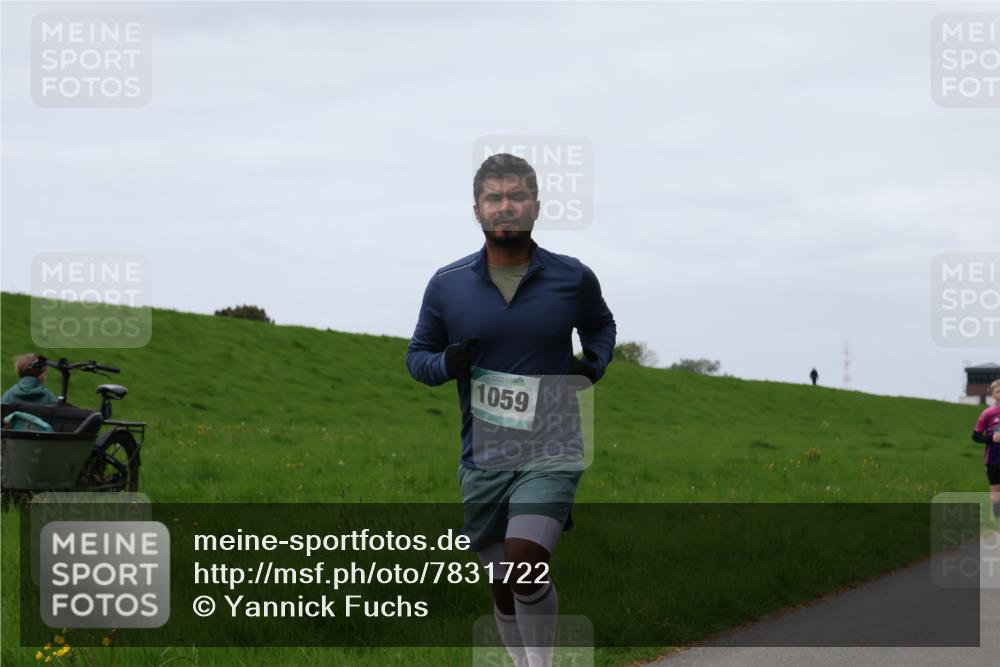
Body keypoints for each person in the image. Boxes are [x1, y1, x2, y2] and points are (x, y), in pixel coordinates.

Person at [406, 153, 616, 667]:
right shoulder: (446, 284)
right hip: (484, 453)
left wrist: (591, 367)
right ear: (476, 210)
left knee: (525, 564)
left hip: (553, 443)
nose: (506, 206)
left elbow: (601, 326)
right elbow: (417, 358)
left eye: (517, 196)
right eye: (494, 198)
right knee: (503, 584)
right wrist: (446, 363)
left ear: (536, 207)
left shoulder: (572, 277)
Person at [971, 379, 1000, 519]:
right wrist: (991, 438)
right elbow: (975, 436)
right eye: (998, 391)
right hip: (993, 459)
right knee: (996, 495)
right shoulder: (987, 413)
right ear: (993, 394)